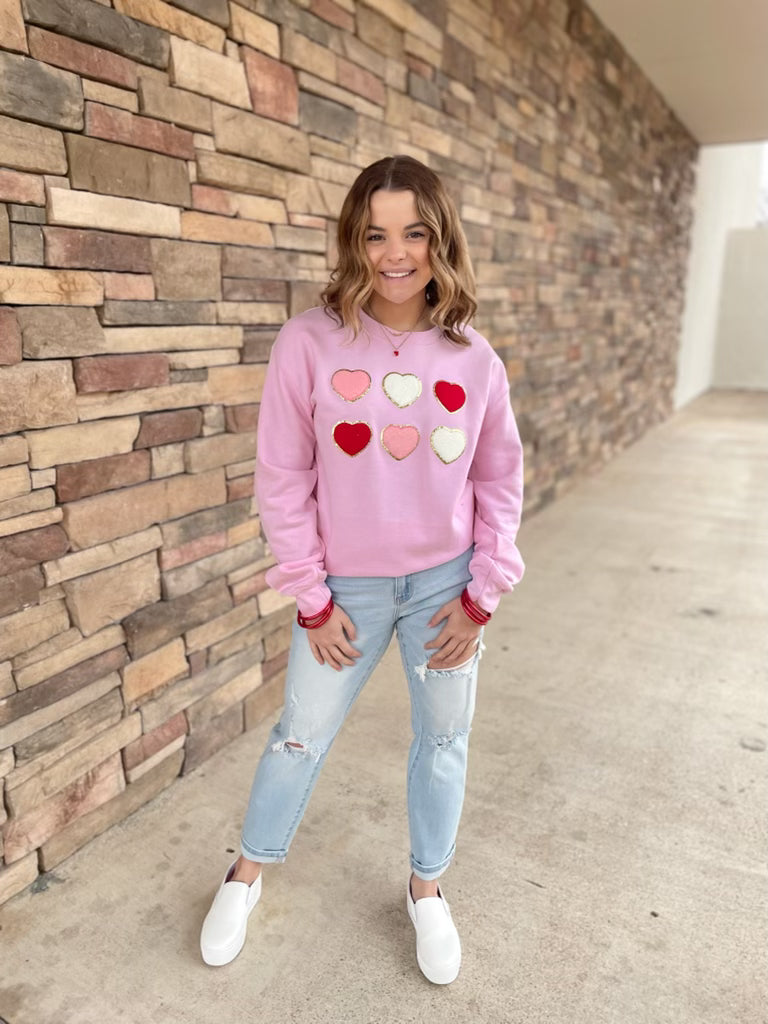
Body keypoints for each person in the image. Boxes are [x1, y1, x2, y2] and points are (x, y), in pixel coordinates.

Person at [199, 155, 525, 984]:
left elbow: (499, 480)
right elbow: (282, 476)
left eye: (413, 233)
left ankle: (427, 889)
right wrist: (311, 597)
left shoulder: (474, 358)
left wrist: (481, 596)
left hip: (446, 587)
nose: (395, 254)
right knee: (298, 735)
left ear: (440, 240)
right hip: (342, 591)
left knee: (444, 738)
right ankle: (246, 873)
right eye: (376, 235)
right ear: (354, 241)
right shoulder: (308, 341)